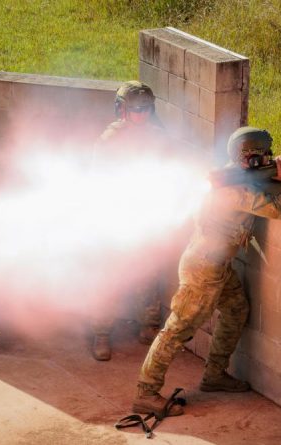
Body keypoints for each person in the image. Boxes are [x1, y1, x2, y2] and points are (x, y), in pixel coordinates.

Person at [132, 126, 281, 417]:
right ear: (246, 158)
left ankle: (214, 375)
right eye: (260, 155)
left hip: (214, 264)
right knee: (177, 329)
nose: (266, 159)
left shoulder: (227, 175)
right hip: (204, 270)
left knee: (236, 308)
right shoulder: (234, 188)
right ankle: (146, 392)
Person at [89, 81, 173, 361]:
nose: (140, 115)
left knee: (147, 273)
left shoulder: (158, 138)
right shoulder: (109, 141)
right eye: (134, 109)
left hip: (145, 219)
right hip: (113, 220)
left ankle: (148, 326)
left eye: (145, 110)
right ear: (121, 109)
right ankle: (101, 333)